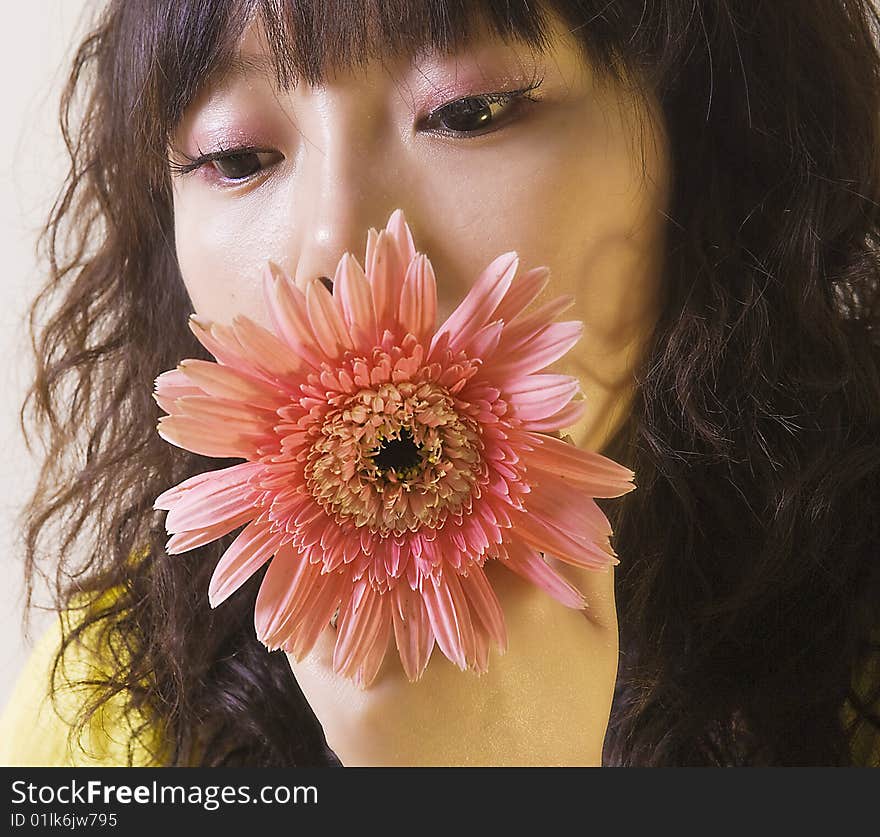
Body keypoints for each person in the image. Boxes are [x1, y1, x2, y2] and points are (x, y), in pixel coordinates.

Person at [1, 0, 878, 767]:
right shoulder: (108, 709)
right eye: (236, 158)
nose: (335, 249)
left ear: (714, 133)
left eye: (469, 112)